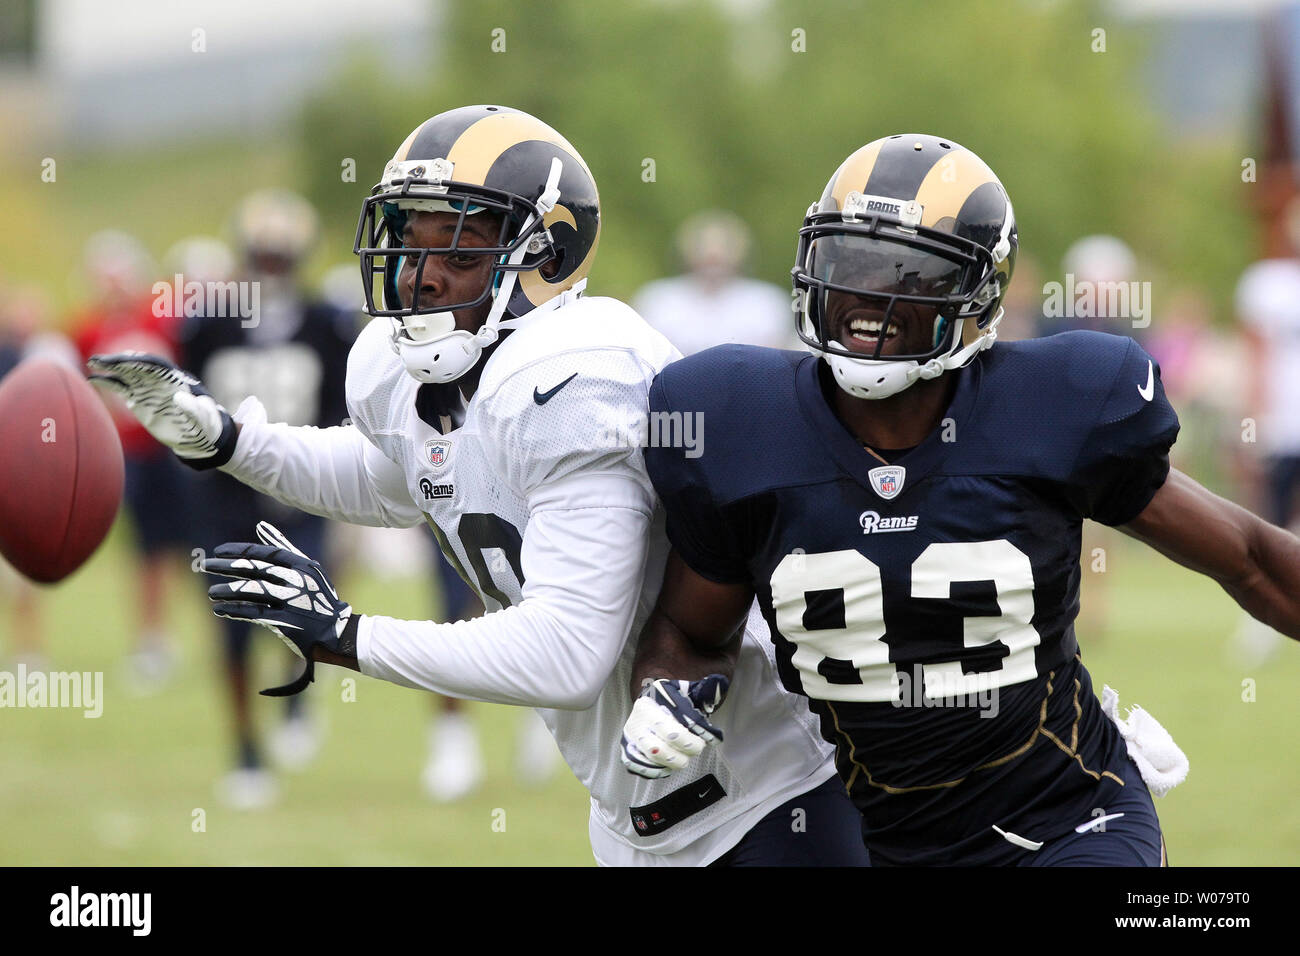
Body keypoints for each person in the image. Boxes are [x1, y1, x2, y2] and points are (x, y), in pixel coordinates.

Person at [89, 105, 867, 866]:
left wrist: (347, 636)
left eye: (458, 251)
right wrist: (230, 442)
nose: (422, 278)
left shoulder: (574, 376)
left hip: (771, 800)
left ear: (546, 259)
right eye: (411, 243)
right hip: (641, 809)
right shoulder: (419, 370)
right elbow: (393, 478)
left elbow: (567, 653)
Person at [619, 134, 1300, 866]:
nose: (869, 297)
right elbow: (691, 635)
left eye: (910, 272)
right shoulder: (740, 425)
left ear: (975, 294)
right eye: (850, 261)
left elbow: (1252, 560)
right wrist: (666, 692)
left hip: (1071, 817)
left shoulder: (1050, 408)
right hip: (879, 838)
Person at [173, 201, 355, 809]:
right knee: (231, 624)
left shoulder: (326, 323)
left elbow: (341, 412)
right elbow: (187, 406)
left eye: (281, 256)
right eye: (262, 255)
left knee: (305, 610)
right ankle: (245, 750)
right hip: (227, 497)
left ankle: (299, 695)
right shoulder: (210, 324)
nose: (271, 267)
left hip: (303, 495)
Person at [69, 230, 188, 691]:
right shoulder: (88, 330)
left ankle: (217, 633)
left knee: (197, 546)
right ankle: (153, 638)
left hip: (175, 448)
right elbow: (85, 392)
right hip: (131, 453)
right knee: (147, 550)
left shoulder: (162, 320)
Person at [633, 210, 796, 355]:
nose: (714, 256)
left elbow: (775, 358)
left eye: (723, 246)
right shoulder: (658, 299)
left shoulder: (766, 302)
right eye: (703, 246)